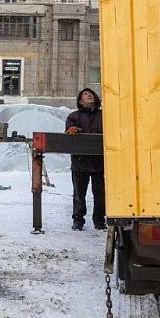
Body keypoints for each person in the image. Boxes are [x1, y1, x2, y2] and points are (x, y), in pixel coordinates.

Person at [65, 88, 105, 230]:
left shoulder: (103, 116)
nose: (89, 95)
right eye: (85, 95)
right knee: (79, 195)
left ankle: (99, 221)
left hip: (100, 163)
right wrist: (71, 130)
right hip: (80, 163)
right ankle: (78, 220)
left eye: (91, 94)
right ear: (80, 101)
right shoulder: (74, 116)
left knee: (100, 194)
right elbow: (68, 132)